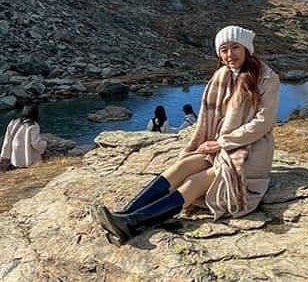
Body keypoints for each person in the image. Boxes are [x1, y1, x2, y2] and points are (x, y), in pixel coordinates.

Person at [92, 24, 280, 245]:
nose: (230, 55)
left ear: (246, 48)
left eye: (235, 47)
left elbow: (262, 123)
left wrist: (221, 143)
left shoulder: (267, 78)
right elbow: (206, 118)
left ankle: (134, 223)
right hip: (221, 145)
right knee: (181, 166)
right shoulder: (222, 75)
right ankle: (125, 215)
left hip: (252, 150)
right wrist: (204, 144)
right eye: (224, 49)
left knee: (195, 181)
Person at [0, 104, 47, 169]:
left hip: (15, 158)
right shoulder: (33, 125)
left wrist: (4, 156)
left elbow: (7, 140)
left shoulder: (13, 122)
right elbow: (35, 143)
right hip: (29, 158)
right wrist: (44, 144)